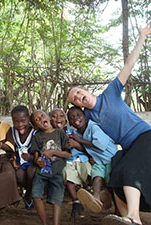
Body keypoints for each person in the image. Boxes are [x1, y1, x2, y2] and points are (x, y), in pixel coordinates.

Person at [68, 24, 151, 225]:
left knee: (130, 169)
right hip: (128, 148)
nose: (79, 97)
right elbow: (75, 131)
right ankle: (125, 217)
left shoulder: (111, 93)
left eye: (79, 92)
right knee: (116, 172)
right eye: (75, 99)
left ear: (86, 91)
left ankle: (133, 217)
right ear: (77, 106)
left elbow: (129, 66)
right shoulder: (87, 119)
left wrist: (142, 36)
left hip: (145, 137)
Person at [67, 106, 117, 213]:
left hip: (111, 159)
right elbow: (85, 150)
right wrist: (90, 157)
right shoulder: (77, 134)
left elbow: (99, 145)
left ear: (85, 117)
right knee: (96, 175)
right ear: (70, 123)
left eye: (78, 115)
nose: (76, 118)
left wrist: (80, 141)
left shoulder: (93, 127)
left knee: (110, 179)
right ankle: (96, 198)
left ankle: (115, 204)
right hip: (99, 161)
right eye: (72, 118)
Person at [29, 110, 71, 225]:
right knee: (36, 195)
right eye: (37, 120)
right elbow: (35, 154)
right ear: (35, 126)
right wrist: (38, 161)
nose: (41, 119)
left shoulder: (59, 133)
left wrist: (53, 152)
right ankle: (44, 223)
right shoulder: (37, 137)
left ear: (48, 116)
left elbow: (68, 154)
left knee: (56, 200)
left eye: (42, 116)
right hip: (41, 172)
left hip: (57, 170)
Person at [50, 108, 91, 220]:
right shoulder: (49, 136)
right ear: (49, 120)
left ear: (66, 121)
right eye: (54, 116)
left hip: (81, 159)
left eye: (61, 116)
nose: (58, 118)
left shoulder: (73, 133)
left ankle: (91, 194)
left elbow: (85, 149)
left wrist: (76, 144)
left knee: (90, 170)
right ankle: (76, 201)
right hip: (66, 162)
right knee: (67, 174)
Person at [9, 105, 37, 211]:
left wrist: (32, 157)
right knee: (19, 176)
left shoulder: (35, 131)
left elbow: (39, 149)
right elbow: (11, 149)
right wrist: (13, 159)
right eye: (16, 121)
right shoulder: (12, 131)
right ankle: (26, 193)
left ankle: (29, 194)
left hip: (33, 161)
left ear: (29, 119)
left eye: (23, 121)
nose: (20, 124)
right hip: (19, 162)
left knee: (31, 172)